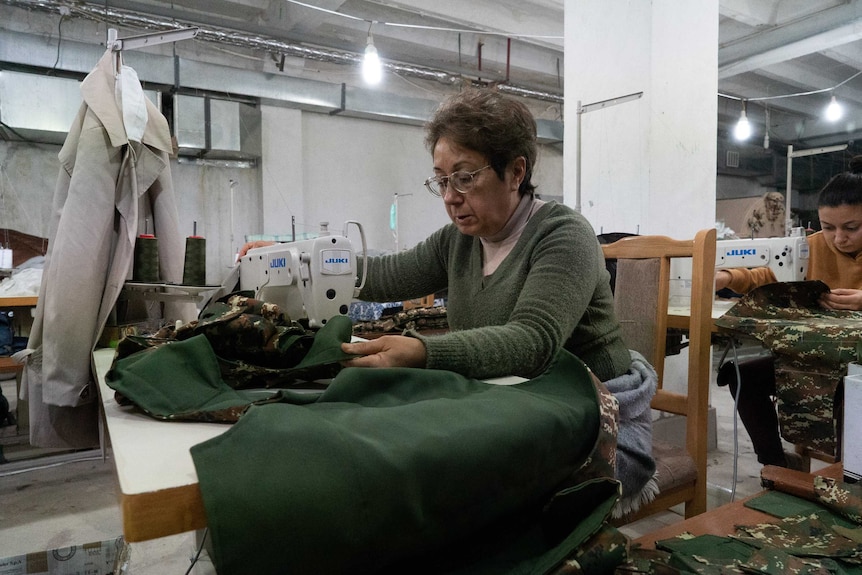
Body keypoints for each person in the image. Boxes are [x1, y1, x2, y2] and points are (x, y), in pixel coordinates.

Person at [240, 88, 658, 514]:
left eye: (465, 177)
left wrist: (424, 352)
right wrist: (296, 257)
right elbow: (381, 275)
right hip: (521, 400)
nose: (450, 196)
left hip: (598, 415)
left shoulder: (564, 235)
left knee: (458, 491)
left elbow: (532, 342)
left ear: (516, 172)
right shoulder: (459, 241)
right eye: (441, 180)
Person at [716, 155, 862, 468]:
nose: (839, 238)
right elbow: (767, 276)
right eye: (828, 227)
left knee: (852, 392)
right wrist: (726, 277)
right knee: (741, 376)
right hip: (814, 357)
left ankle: (846, 480)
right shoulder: (811, 247)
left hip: (856, 366)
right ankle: (777, 468)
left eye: (852, 227)